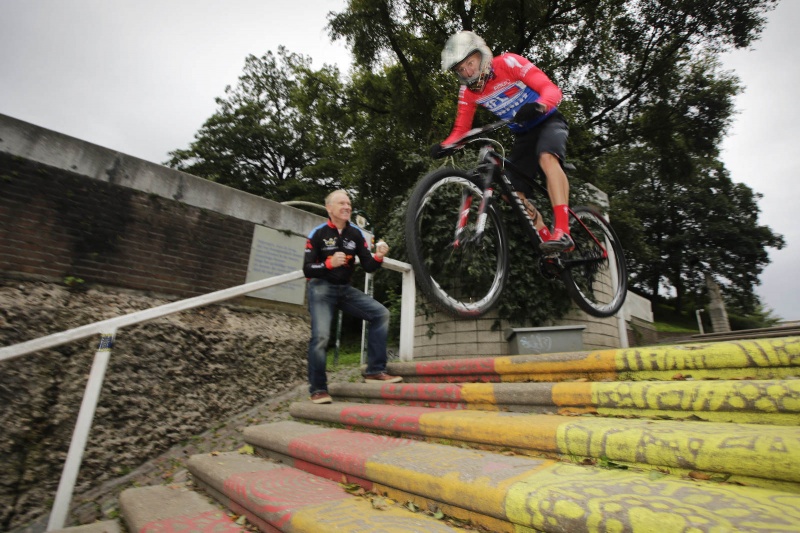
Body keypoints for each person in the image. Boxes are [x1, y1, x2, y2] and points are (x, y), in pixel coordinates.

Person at [432, 30, 573, 253]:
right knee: (512, 194)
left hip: (547, 120)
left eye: (470, 63)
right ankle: (547, 240)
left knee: (547, 158)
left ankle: (563, 230)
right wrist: (445, 146)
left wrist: (539, 105)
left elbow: (551, 89)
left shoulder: (508, 63)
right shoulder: (468, 92)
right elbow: (461, 130)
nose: (468, 71)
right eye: (461, 69)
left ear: (481, 54)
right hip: (523, 134)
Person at [302, 189, 402, 404]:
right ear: (329, 208)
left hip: (344, 289)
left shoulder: (355, 234)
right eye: (342, 203)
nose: (347, 207)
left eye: (349, 203)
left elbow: (368, 265)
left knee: (380, 314)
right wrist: (328, 264)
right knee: (320, 337)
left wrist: (379, 256)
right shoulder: (317, 233)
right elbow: (308, 269)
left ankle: (374, 370)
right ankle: (318, 388)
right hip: (320, 288)